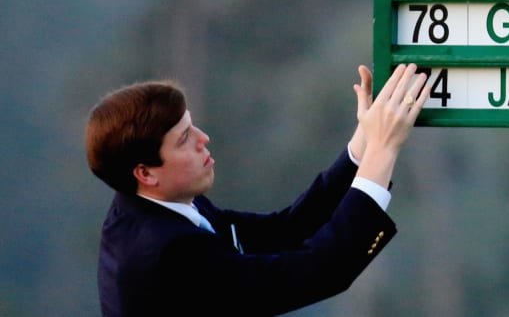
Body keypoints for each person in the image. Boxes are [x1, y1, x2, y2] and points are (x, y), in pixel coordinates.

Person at [85, 63, 429, 316]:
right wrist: (384, 149)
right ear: (145, 172)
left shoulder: (156, 204)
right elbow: (321, 270)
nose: (204, 140)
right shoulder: (167, 254)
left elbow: (286, 231)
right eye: (185, 139)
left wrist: (366, 141)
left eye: (193, 126)